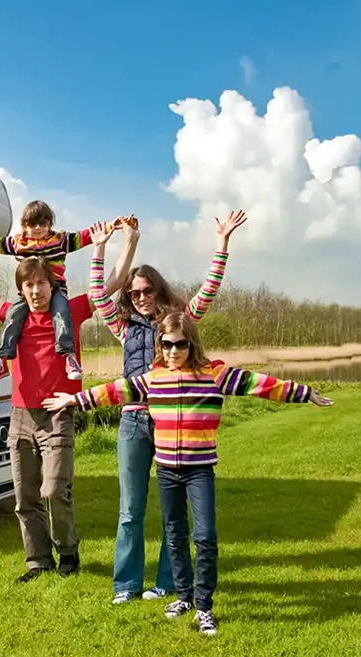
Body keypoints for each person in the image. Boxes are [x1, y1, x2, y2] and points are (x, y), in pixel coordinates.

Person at [43, 311, 334, 635]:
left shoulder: (215, 375)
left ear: (191, 343)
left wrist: (305, 393)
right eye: (166, 344)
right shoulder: (153, 378)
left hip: (200, 471)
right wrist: (75, 400)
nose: (172, 351)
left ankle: (204, 607)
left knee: (205, 537)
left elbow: (261, 384)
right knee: (176, 535)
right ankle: (183, 596)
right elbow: (115, 391)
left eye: (179, 344)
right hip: (167, 471)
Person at [0, 225, 137, 582]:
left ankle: (68, 552)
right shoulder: (12, 318)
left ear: (53, 286)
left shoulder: (73, 312)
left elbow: (111, 283)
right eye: (29, 285)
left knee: (53, 490)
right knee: (25, 497)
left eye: (41, 284)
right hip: (19, 416)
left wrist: (130, 243)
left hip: (57, 416)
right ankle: (37, 561)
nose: (35, 291)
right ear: (22, 290)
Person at [87, 210, 246, 605]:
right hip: (133, 423)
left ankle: (168, 582)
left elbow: (208, 290)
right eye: (134, 293)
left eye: (147, 291)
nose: (141, 298)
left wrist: (222, 243)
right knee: (130, 509)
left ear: (158, 291)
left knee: (171, 513)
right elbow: (96, 294)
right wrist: (104, 247)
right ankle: (126, 585)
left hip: (171, 423)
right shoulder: (122, 327)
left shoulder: (176, 326)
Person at [0, 200, 121, 384]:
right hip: (27, 295)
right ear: (25, 225)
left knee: (61, 312)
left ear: (50, 223)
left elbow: (86, 235)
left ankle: (68, 356)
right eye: (34, 224)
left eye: (44, 223)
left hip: (56, 290)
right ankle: (1, 359)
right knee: (13, 316)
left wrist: (112, 225)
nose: (40, 228)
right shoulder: (18, 244)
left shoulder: (60, 241)